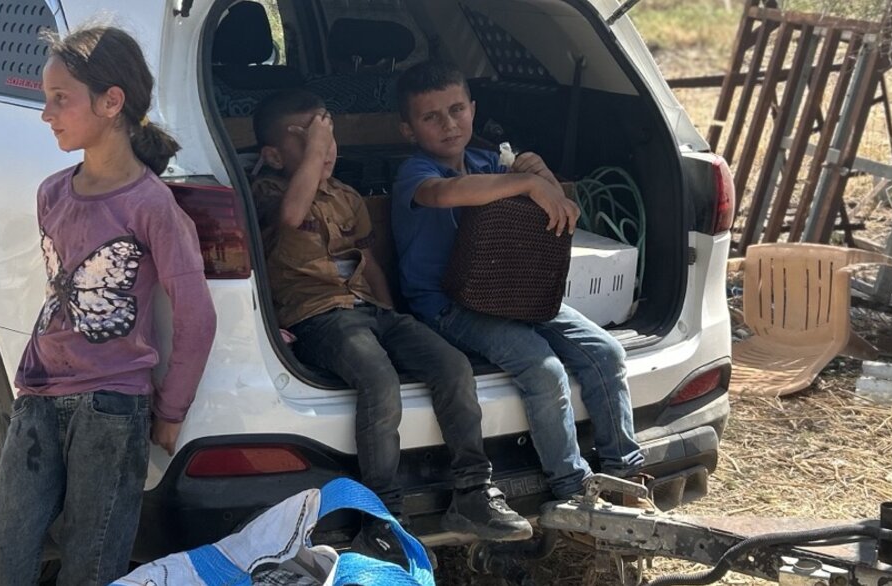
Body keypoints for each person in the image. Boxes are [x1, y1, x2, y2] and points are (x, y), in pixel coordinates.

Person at [247, 89, 534, 548]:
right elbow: (291, 215)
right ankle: (381, 515)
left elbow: (370, 261)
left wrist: (393, 317)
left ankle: (473, 490)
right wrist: (316, 152)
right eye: (310, 141)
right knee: (379, 379)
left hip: (369, 310)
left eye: (330, 138)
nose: (326, 149)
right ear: (273, 155)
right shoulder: (266, 190)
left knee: (451, 364)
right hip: (319, 315)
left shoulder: (346, 195)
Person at [0, 25, 217, 586]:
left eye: (60, 99)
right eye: (46, 99)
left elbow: (196, 315)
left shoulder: (152, 206)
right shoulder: (53, 192)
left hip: (111, 410)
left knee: (90, 567)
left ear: (112, 102)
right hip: (38, 396)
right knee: (5, 563)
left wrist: (171, 411)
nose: (47, 114)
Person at [388, 61, 644, 502]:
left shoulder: (492, 160)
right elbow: (445, 194)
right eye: (431, 117)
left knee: (606, 351)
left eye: (456, 110)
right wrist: (522, 181)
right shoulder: (414, 173)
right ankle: (572, 488)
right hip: (448, 305)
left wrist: (540, 177)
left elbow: (559, 212)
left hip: (514, 290)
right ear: (408, 129)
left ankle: (627, 471)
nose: (449, 125)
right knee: (541, 368)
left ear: (473, 108)